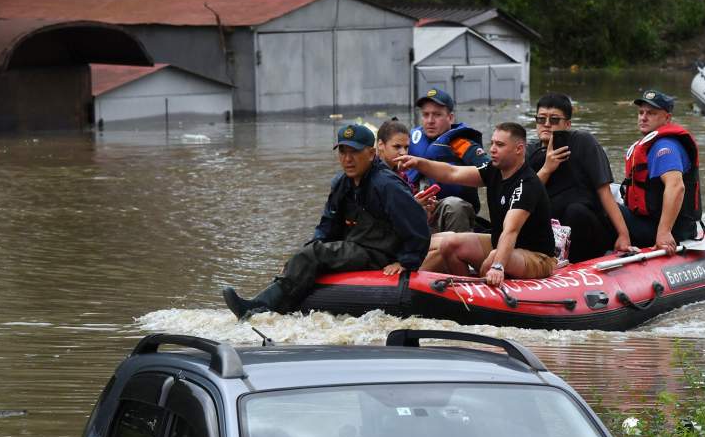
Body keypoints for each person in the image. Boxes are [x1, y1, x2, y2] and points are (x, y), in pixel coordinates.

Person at [221, 123, 430, 319]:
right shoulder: (342, 183)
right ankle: (270, 301)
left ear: (371, 153)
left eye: (354, 152)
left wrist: (406, 262)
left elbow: (418, 225)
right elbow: (327, 225)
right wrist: (299, 258)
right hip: (357, 246)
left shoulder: (386, 184)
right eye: (342, 152)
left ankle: (258, 309)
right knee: (308, 254)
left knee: (313, 255)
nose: (348, 159)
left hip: (379, 252)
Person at [396, 122, 556, 286]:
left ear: (519, 149)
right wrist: (418, 163)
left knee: (494, 257)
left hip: (537, 256)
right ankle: (467, 288)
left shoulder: (527, 184)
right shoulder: (493, 170)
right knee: (449, 244)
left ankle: (485, 286)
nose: (492, 149)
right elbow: (452, 173)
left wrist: (498, 266)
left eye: (500, 145)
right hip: (498, 243)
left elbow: (510, 231)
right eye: (492, 143)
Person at [526, 92, 631, 262]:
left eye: (554, 120)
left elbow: (604, 191)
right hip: (552, 231)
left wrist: (623, 235)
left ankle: (573, 263)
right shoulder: (530, 152)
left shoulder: (584, 143)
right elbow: (524, 198)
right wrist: (546, 168)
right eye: (541, 119)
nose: (546, 124)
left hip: (586, 227)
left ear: (567, 124)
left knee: (575, 211)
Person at [619, 89, 702, 256]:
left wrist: (664, 232)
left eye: (651, 113)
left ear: (667, 118)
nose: (643, 117)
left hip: (667, 231)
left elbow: (676, 187)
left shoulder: (665, 147)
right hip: (652, 222)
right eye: (641, 112)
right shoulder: (653, 144)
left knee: (601, 207)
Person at [403, 88, 490, 233]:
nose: (430, 121)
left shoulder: (462, 144)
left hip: (450, 211)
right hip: (416, 208)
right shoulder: (408, 140)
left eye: (437, 115)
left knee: (453, 205)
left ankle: (460, 251)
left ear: (450, 118)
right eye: (425, 115)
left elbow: (491, 171)